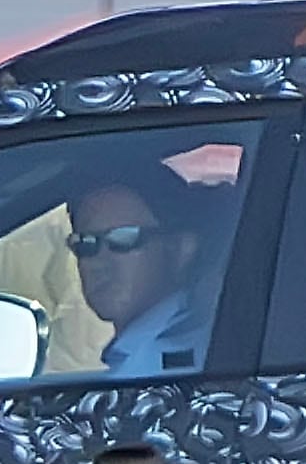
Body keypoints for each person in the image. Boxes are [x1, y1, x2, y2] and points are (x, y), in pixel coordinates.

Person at [67, 161, 223, 377]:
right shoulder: (147, 355)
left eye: (124, 239)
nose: (97, 263)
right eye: (85, 243)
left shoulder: (183, 360)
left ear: (181, 250)